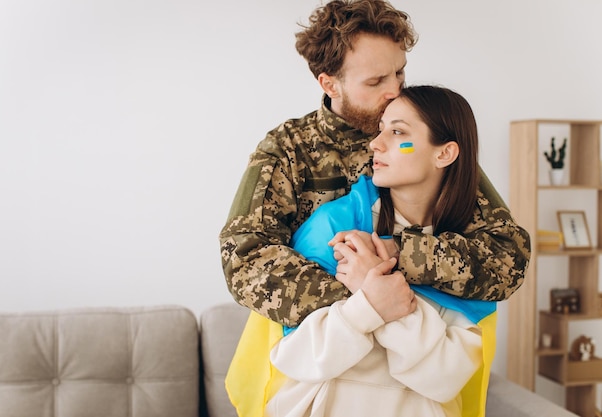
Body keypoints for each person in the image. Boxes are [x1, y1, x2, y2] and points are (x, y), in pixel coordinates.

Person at [219, 0, 530, 329]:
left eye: (399, 72)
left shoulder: (423, 142)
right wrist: (365, 299)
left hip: (422, 361)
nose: (395, 90)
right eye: (375, 81)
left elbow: (508, 258)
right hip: (311, 360)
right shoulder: (287, 150)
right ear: (330, 85)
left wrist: (397, 255)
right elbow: (245, 259)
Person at [228, 85, 501, 417]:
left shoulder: (472, 256)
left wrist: (384, 297)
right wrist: (371, 304)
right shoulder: (335, 226)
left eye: (398, 132)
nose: (376, 143)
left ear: (444, 154)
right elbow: (296, 358)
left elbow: (444, 379)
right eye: (380, 129)